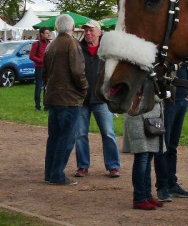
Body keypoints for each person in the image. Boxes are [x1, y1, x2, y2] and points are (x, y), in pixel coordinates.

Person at [43, 14, 88, 186]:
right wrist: (84, 88)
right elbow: (77, 72)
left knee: (54, 137)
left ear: (56, 27)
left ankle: (50, 173)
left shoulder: (51, 45)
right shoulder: (71, 44)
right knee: (67, 137)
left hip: (53, 96)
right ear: (73, 26)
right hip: (68, 98)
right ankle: (56, 174)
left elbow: (44, 73)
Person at [74, 20, 121, 178]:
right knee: (80, 134)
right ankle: (82, 166)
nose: (88, 33)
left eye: (91, 31)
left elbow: (116, 72)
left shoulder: (107, 51)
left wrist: (113, 92)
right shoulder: (78, 49)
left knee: (108, 133)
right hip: (82, 99)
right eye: (86, 31)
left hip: (102, 98)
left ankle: (113, 166)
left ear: (100, 32)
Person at [154, 65, 188, 201]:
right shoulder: (170, 51)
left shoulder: (185, 52)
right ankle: (162, 186)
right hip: (169, 102)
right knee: (163, 146)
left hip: (181, 101)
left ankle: (171, 183)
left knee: (172, 146)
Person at [122, 96, 165, 210]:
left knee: (148, 158)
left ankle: (147, 195)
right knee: (142, 157)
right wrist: (162, 95)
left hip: (151, 118)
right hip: (138, 117)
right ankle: (139, 198)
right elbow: (153, 96)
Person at [29, 27, 51, 111]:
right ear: (41, 34)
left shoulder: (49, 43)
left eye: (49, 33)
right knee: (39, 87)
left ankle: (46, 105)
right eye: (46, 33)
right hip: (39, 68)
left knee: (47, 87)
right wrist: (41, 61)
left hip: (48, 68)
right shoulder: (36, 44)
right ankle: (37, 106)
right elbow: (31, 56)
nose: (48, 34)